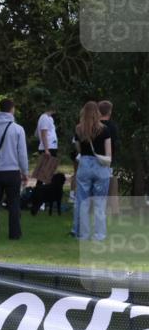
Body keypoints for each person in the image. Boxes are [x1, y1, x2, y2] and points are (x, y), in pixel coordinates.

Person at [0, 98, 29, 240]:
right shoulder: (17, 129)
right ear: (12, 109)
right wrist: (25, 172)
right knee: (14, 203)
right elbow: (22, 153)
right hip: (12, 171)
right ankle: (14, 234)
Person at [71, 101, 113, 241]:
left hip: (85, 166)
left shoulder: (79, 129)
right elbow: (108, 154)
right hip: (101, 167)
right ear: (98, 112)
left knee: (83, 202)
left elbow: (78, 149)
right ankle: (99, 235)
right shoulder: (105, 129)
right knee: (100, 203)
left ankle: (83, 235)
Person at [32, 102, 59, 185]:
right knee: (43, 174)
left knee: (47, 173)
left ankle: (43, 191)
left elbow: (36, 133)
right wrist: (46, 149)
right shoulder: (44, 118)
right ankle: (40, 192)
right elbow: (43, 133)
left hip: (52, 146)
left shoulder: (49, 118)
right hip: (47, 147)